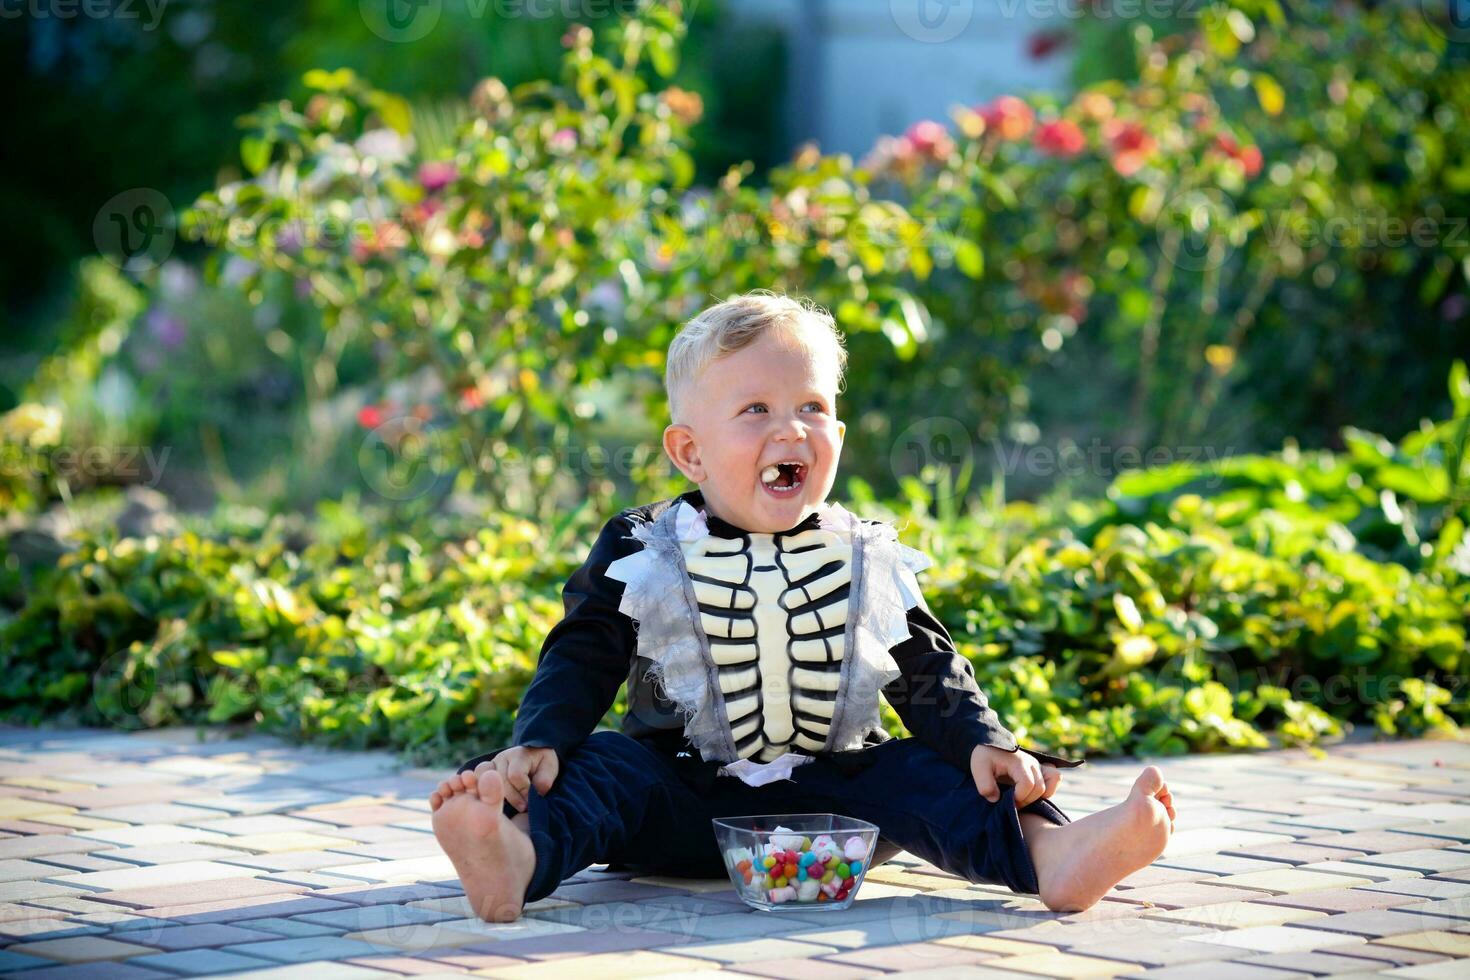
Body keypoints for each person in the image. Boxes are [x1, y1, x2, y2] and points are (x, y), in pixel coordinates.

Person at [430, 292, 1177, 923]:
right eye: (754, 409)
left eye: (811, 407)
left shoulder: (864, 551)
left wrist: (984, 738)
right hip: (680, 798)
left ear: (839, 436)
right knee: (602, 769)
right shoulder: (646, 542)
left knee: (930, 770)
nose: (790, 429)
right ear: (689, 452)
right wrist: (540, 740)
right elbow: (582, 650)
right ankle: (514, 857)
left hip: (842, 808)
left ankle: (1056, 855)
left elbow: (926, 664)